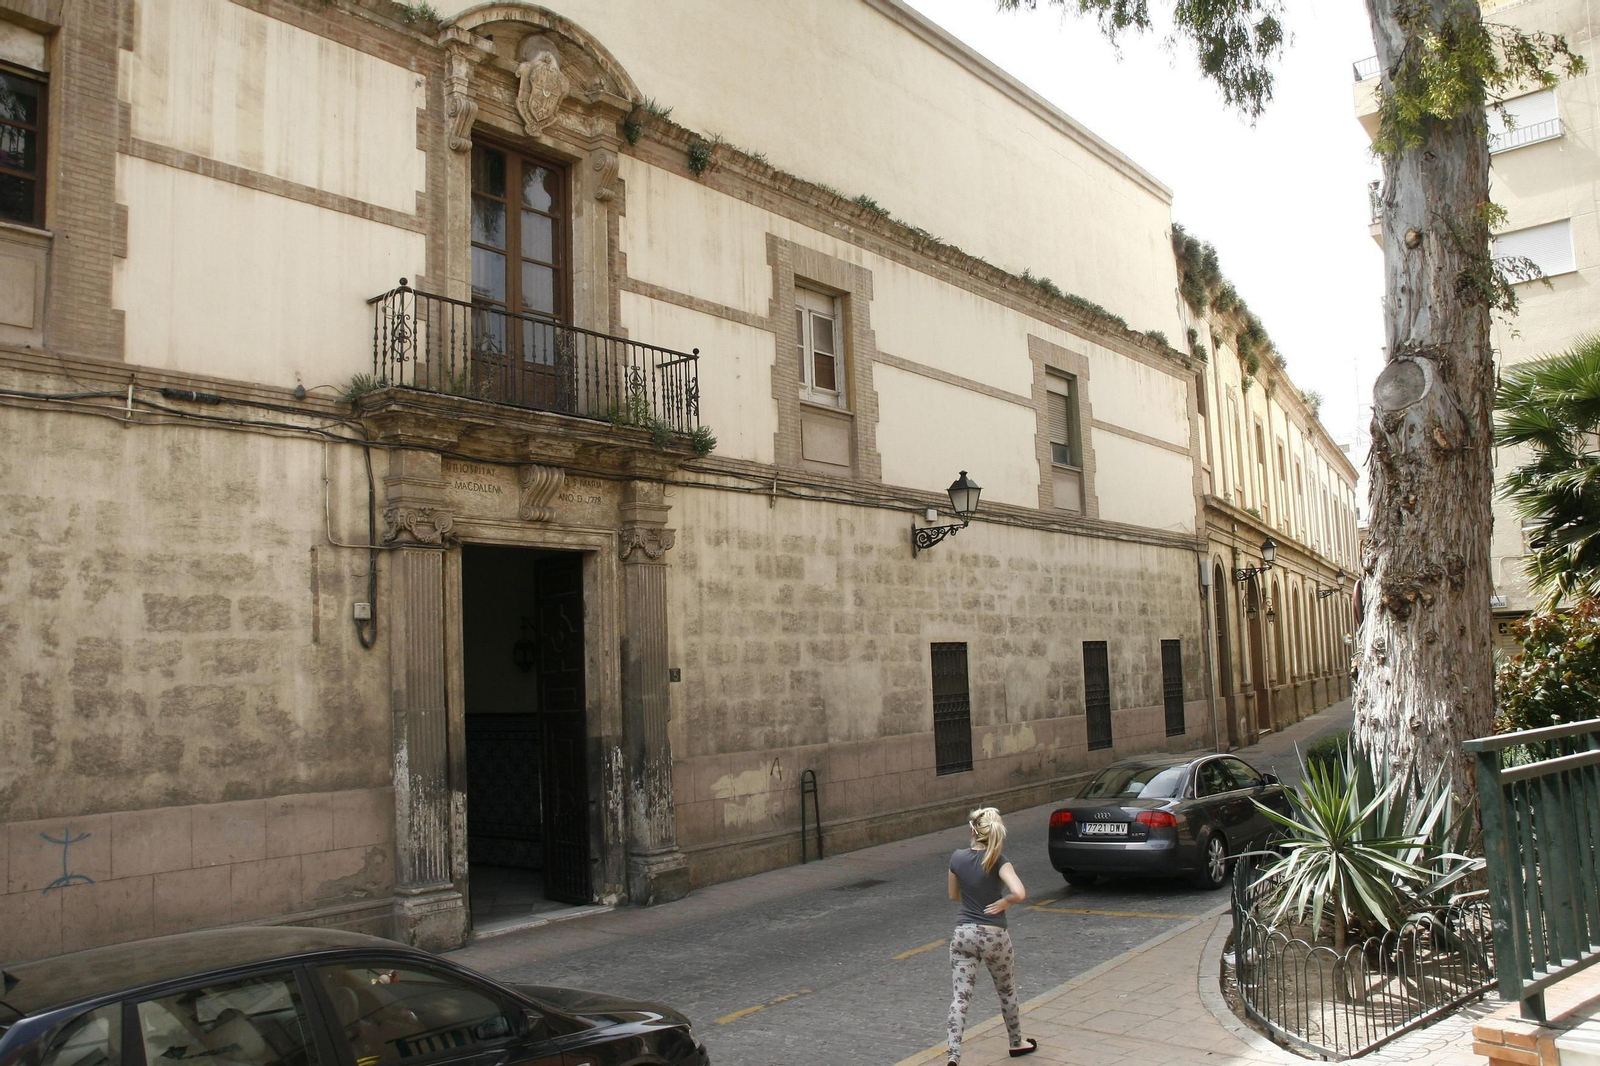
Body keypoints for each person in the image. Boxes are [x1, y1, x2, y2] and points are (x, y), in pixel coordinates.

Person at [946, 806, 1036, 1064]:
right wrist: (1005, 901)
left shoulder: (957, 858)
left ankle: (953, 1054)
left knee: (960, 997)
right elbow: (1019, 893)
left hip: (963, 934)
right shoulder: (998, 859)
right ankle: (1017, 1042)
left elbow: (953, 896)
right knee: (1006, 990)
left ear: (972, 830)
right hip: (994, 935)